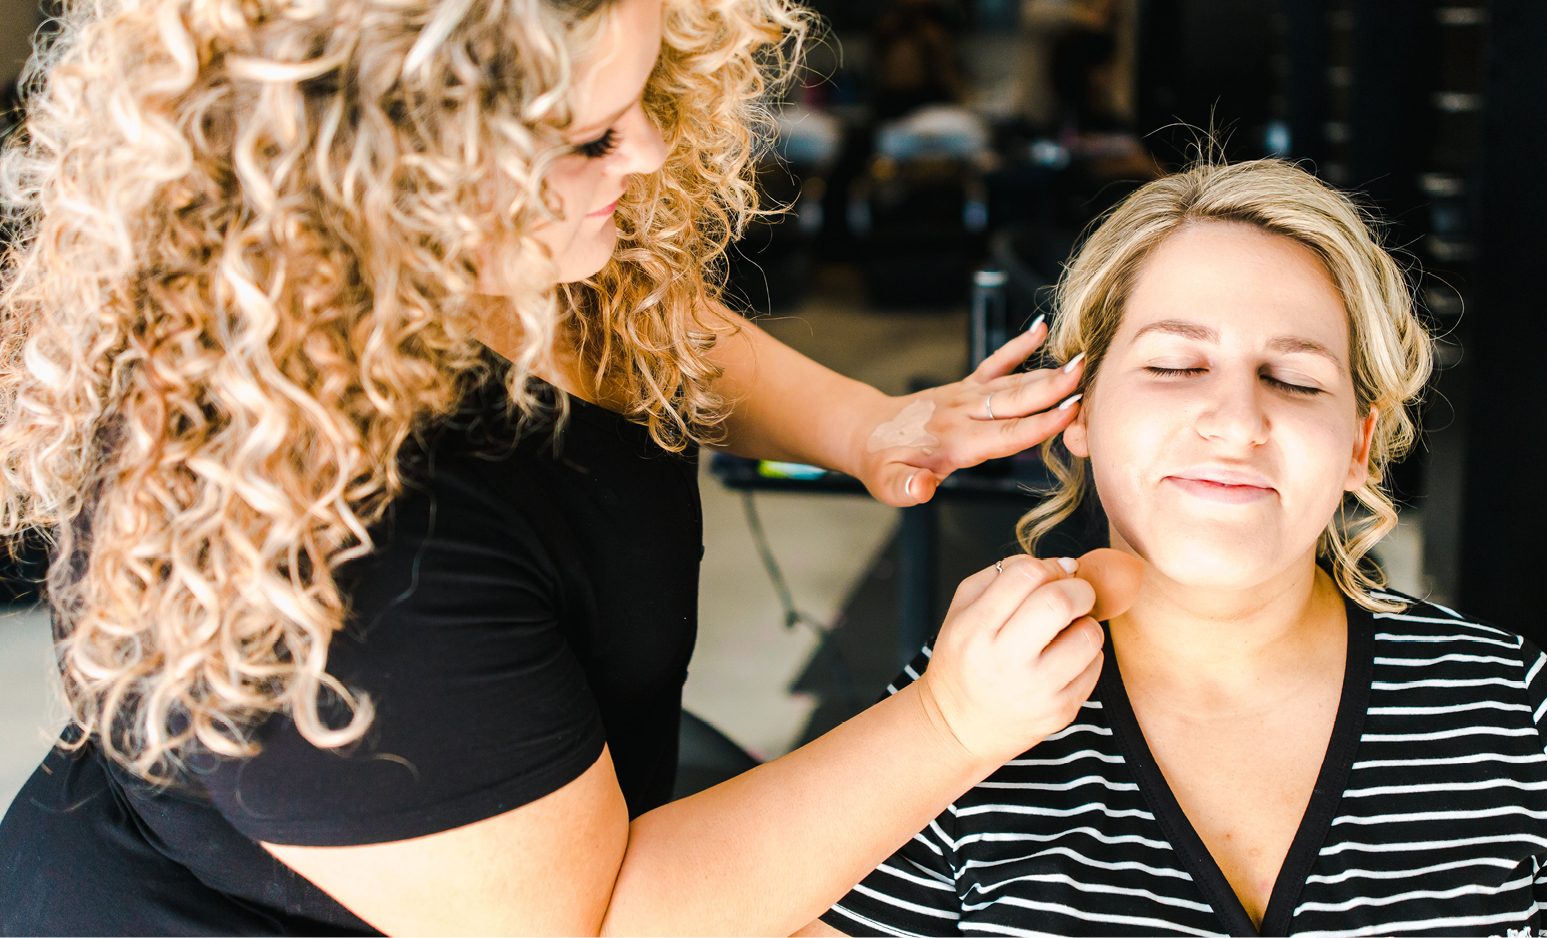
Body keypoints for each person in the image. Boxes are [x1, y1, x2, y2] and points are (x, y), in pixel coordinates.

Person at [0, 0, 1123, 935]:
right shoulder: (358, 557)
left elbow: (628, 316)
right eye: (588, 138)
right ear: (392, 177)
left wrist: (866, 427)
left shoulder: (501, 254)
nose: (641, 152)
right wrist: (950, 723)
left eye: (639, 98)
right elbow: (593, 922)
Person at [800, 160, 1547, 938]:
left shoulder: (1517, 719)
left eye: (1296, 378)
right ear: (1076, 411)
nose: (1234, 422)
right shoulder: (963, 707)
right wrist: (945, 724)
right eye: (1175, 365)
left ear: (1357, 442)